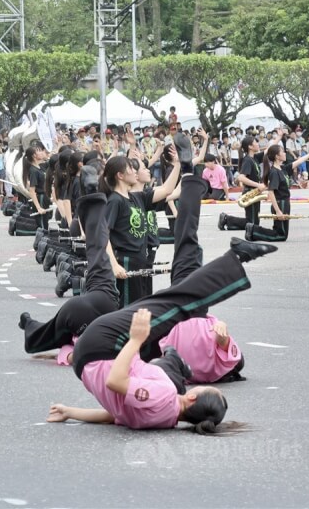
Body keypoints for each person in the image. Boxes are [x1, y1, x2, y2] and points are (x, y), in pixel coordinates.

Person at [47, 173, 278, 432]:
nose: (194, 384)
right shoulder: (163, 418)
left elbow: (115, 381)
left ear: (192, 397)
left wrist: (136, 339)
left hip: (103, 348)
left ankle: (236, 259)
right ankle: (90, 206)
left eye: (201, 388)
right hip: (89, 358)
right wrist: (71, 412)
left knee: (175, 303)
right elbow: (114, 415)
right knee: (106, 277)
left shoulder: (164, 396)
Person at [19, 192, 120, 366]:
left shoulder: (72, 346)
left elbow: (75, 355)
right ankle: (29, 325)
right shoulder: (73, 345)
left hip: (99, 304)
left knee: (98, 254)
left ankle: (28, 324)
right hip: (92, 307)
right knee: (97, 253)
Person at [101, 137, 182, 308]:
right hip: (126, 261)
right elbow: (103, 236)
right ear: (120, 175)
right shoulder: (115, 201)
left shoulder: (136, 197)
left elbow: (167, 190)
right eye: (131, 168)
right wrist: (114, 265)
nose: (135, 171)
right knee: (130, 310)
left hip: (141, 259)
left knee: (142, 307)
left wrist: (177, 165)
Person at [245, 144, 309, 243]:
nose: (284, 153)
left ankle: (254, 231)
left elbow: (300, 161)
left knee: (280, 233)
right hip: (280, 203)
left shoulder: (283, 168)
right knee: (281, 235)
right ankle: (254, 230)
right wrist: (278, 211)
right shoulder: (274, 172)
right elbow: (271, 192)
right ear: (277, 156)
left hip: (285, 203)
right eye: (282, 151)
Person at [218, 137, 264, 232]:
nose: (258, 143)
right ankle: (226, 219)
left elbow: (269, 151)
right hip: (250, 192)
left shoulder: (254, 158)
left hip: (254, 192)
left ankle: (228, 220)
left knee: (254, 223)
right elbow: (241, 177)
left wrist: (279, 137)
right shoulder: (247, 160)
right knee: (252, 223)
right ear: (250, 146)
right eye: (256, 142)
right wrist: (258, 185)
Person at [23, 145, 49, 230]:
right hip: (40, 198)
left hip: (45, 197)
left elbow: (53, 160)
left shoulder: (41, 167)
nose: (41, 152)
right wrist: (38, 207)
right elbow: (32, 190)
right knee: (42, 227)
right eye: (39, 151)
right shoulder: (33, 171)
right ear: (34, 155)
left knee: (45, 224)